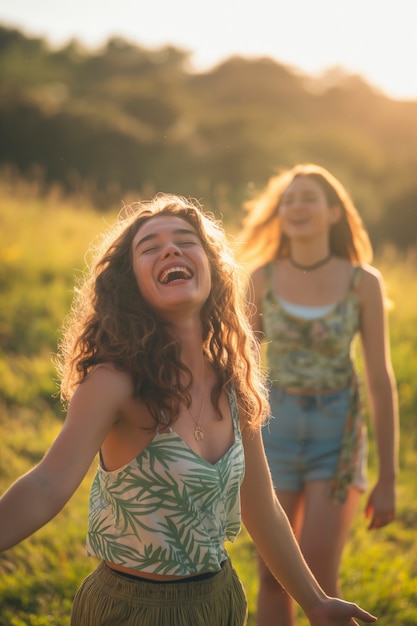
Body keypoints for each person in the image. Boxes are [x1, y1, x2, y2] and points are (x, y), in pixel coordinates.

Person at [0, 193, 377, 626]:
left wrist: (315, 602)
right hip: (130, 611)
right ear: (131, 282)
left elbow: (262, 508)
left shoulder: (233, 383)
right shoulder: (115, 381)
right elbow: (48, 482)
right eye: (150, 246)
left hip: (219, 603)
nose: (171, 249)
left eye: (185, 240)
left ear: (212, 270)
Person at [238, 164, 399, 626]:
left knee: (321, 581)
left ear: (333, 213)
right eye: (288, 200)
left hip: (339, 438)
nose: (296, 207)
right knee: (273, 576)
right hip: (275, 432)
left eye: (308, 197)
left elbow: (380, 379)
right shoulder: (261, 279)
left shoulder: (362, 282)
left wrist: (387, 477)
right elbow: (239, 368)